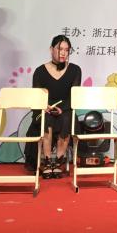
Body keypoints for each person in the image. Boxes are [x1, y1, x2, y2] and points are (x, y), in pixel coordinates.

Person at [32, 35, 81, 178]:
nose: (63, 53)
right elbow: (37, 95)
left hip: (65, 109)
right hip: (44, 109)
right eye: (60, 49)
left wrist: (62, 108)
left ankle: (59, 161)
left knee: (66, 119)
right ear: (51, 49)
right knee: (46, 119)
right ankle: (47, 162)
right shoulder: (39, 71)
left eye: (66, 50)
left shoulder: (75, 70)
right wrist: (45, 106)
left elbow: (74, 95)